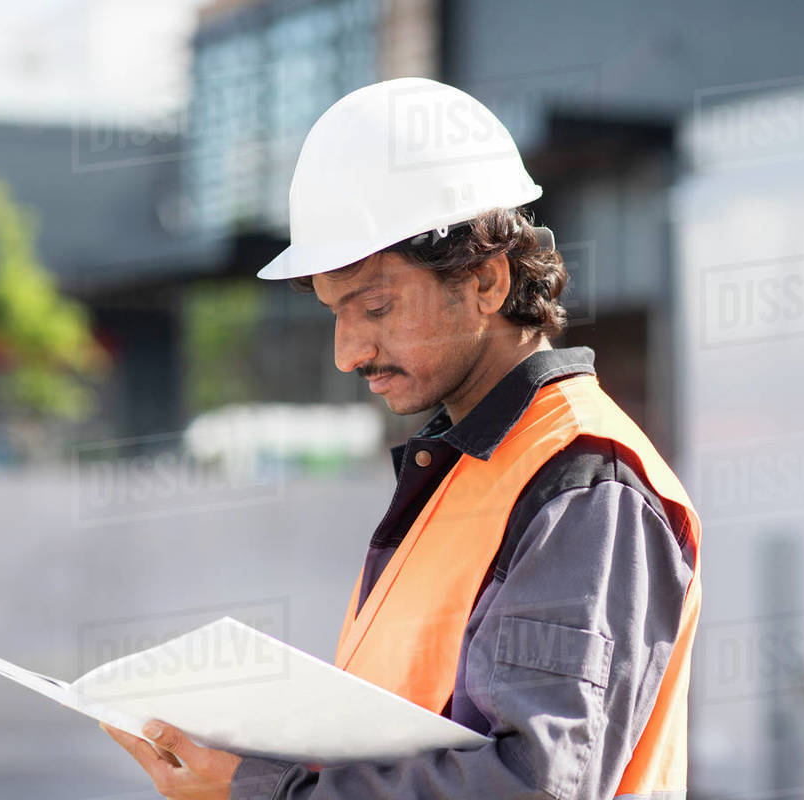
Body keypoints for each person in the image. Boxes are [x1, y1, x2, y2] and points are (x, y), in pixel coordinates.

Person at [102, 77, 702, 800]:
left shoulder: (585, 483)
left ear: (485, 279)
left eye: (375, 307)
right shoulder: (468, 469)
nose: (347, 352)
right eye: (335, 314)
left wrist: (267, 793)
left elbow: (536, 785)